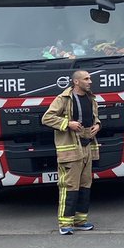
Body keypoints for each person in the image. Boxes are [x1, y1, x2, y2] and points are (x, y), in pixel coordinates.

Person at [40, 69, 101, 235]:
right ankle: (65, 223)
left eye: (90, 79)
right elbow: (46, 118)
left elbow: (94, 117)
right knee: (69, 186)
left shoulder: (91, 98)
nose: (90, 82)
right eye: (86, 79)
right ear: (76, 82)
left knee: (85, 184)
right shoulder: (63, 99)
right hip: (71, 150)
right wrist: (68, 123)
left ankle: (80, 220)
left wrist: (98, 124)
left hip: (87, 147)